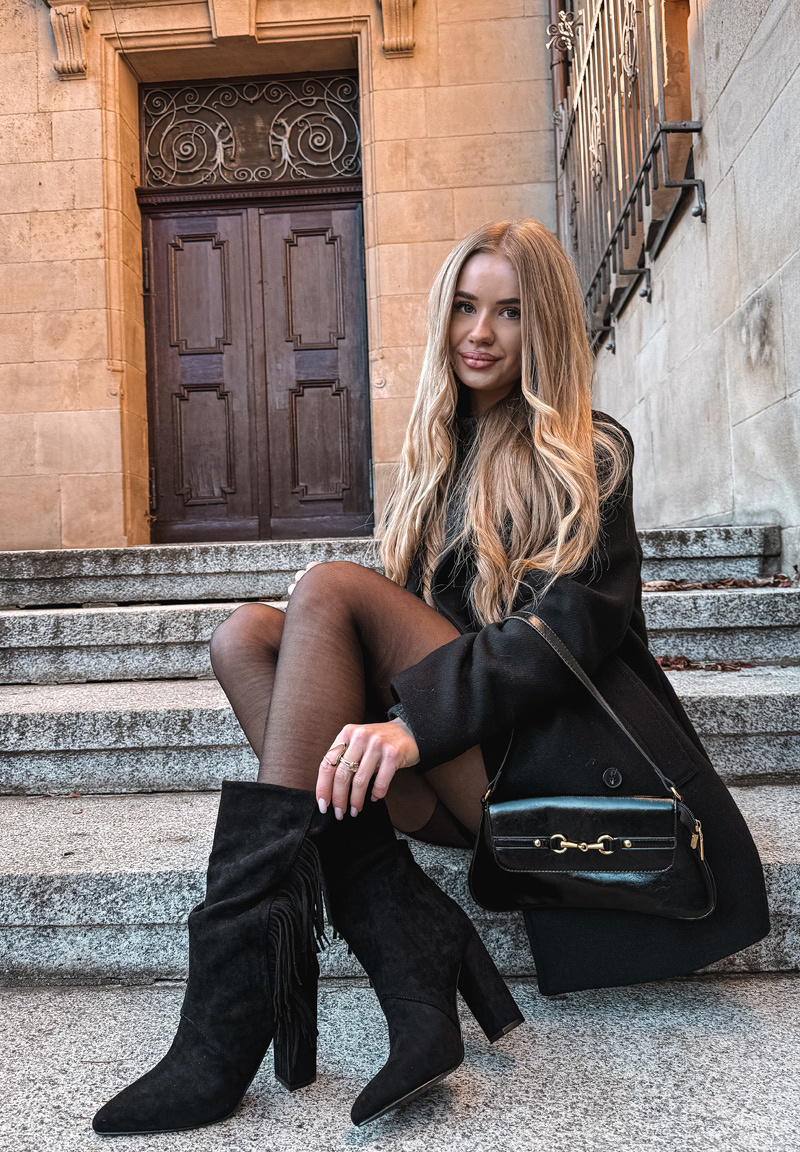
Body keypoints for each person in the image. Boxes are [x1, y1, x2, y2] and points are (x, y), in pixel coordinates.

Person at [92, 219, 769, 1137]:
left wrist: (411, 725)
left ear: (545, 328)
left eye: (509, 312)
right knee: (245, 638)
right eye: (464, 307)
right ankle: (402, 928)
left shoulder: (589, 452)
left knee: (330, 589)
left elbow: (565, 635)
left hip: (554, 769)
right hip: (463, 770)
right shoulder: (434, 457)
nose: (479, 332)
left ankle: (229, 1013)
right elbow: (400, 641)